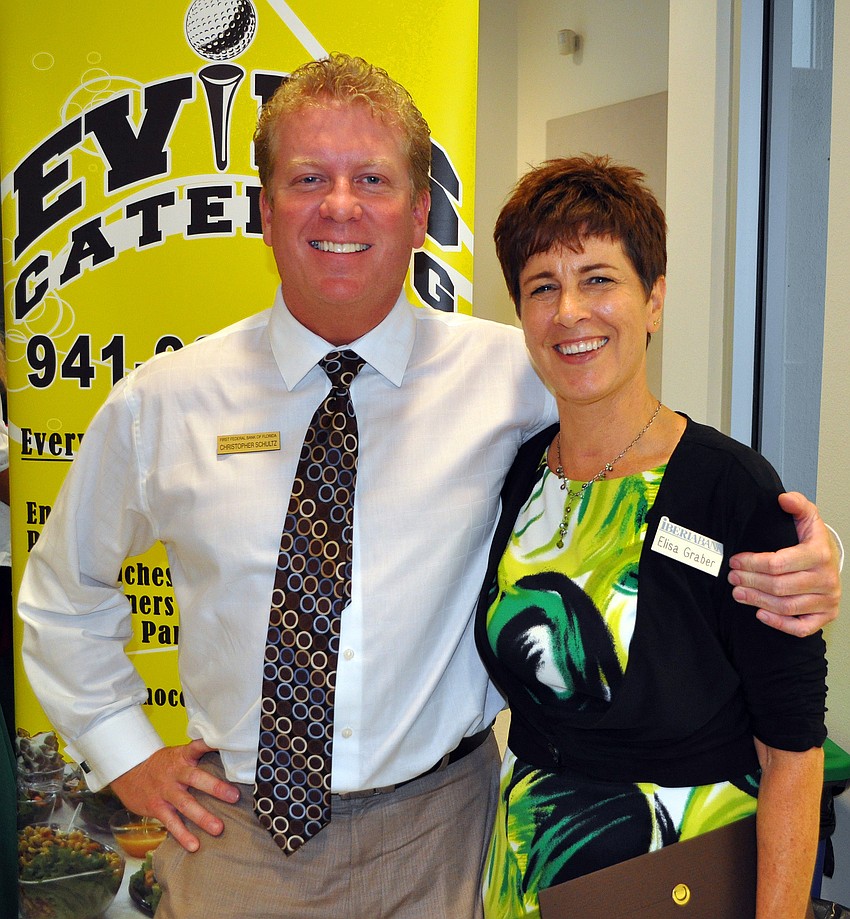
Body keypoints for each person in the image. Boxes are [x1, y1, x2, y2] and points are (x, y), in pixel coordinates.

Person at [18, 56, 837, 919]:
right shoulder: (163, 403)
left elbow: (649, 455)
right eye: (308, 178)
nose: (340, 205)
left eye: (372, 178)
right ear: (265, 211)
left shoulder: (512, 372)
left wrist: (809, 550)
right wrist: (126, 754)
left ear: (418, 214)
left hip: (446, 837)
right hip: (239, 841)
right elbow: (62, 594)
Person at [474, 155, 828, 919]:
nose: (570, 311)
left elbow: (794, 753)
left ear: (654, 300)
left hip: (678, 879)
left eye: (598, 279)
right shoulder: (522, 474)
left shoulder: (729, 489)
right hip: (528, 871)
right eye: (543, 286)